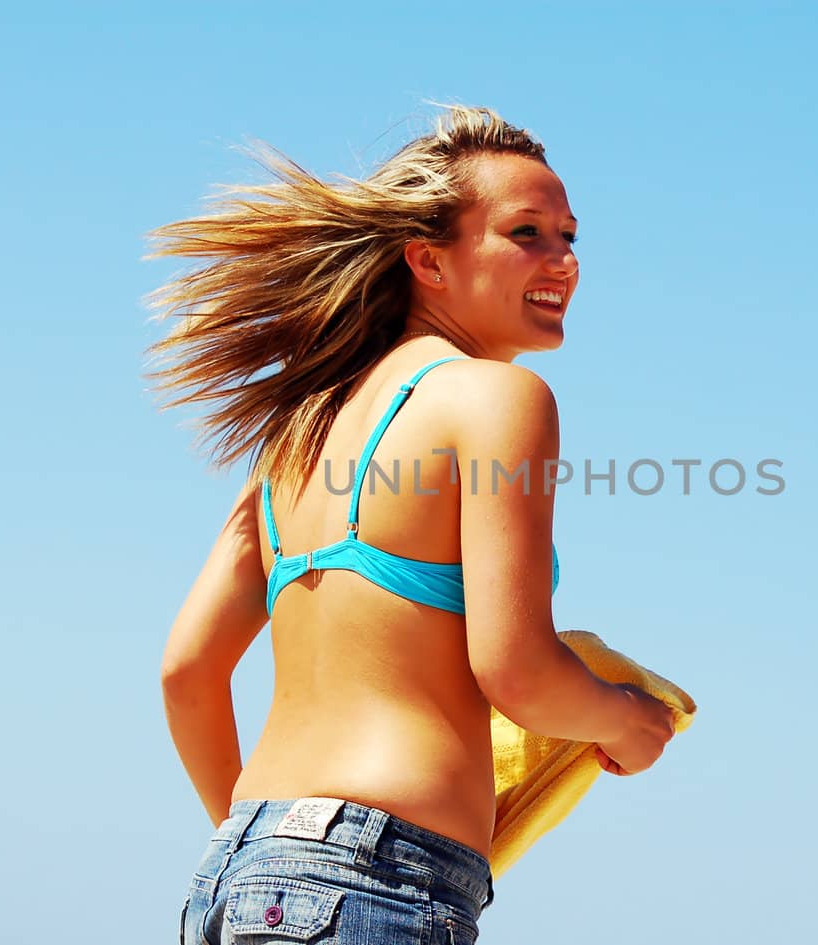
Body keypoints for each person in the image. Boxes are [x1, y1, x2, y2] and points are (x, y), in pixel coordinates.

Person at [146, 105, 678, 945]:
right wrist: (628, 720)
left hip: (236, 875)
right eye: (527, 233)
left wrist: (275, 847)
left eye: (570, 237)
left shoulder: (299, 433)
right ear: (427, 258)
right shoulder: (498, 399)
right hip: (377, 881)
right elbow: (517, 671)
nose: (563, 260)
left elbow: (187, 671)